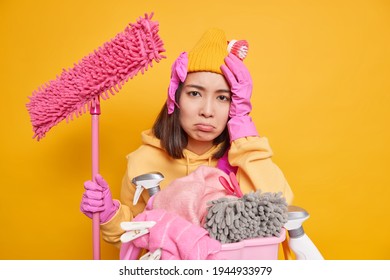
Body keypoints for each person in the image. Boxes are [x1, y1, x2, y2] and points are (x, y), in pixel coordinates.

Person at [80, 28, 293, 248]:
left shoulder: (244, 159)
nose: (207, 110)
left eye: (223, 97)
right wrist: (109, 215)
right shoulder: (143, 161)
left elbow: (276, 210)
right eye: (195, 93)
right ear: (175, 96)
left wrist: (243, 125)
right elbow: (133, 236)